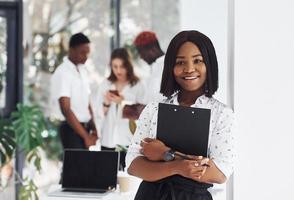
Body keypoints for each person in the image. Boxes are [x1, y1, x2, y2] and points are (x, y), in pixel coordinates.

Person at [126, 30, 235, 200]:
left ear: (209, 64)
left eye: (197, 60)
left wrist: (165, 154)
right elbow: (133, 165)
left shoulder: (221, 114)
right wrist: (177, 167)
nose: (189, 69)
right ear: (171, 67)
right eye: (180, 62)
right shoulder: (154, 109)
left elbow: (219, 173)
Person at [95, 48, 145, 170]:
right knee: (106, 177)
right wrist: (106, 103)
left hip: (128, 141)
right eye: (115, 66)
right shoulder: (105, 84)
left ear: (128, 65)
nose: (118, 70)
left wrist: (123, 102)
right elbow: (99, 114)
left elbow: (143, 113)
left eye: (122, 66)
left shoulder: (138, 85)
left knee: (127, 178)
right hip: (108, 139)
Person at [50, 32, 98, 150]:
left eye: (87, 53)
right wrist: (86, 137)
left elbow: (87, 102)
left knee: (83, 167)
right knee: (75, 167)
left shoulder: (82, 71)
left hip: (85, 128)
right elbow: (66, 109)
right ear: (71, 50)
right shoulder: (63, 73)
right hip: (71, 130)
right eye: (82, 52)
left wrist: (95, 128)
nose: (86, 56)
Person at [133, 31, 165, 104]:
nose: (141, 57)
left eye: (141, 52)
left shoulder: (167, 67)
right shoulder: (155, 66)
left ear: (153, 49)